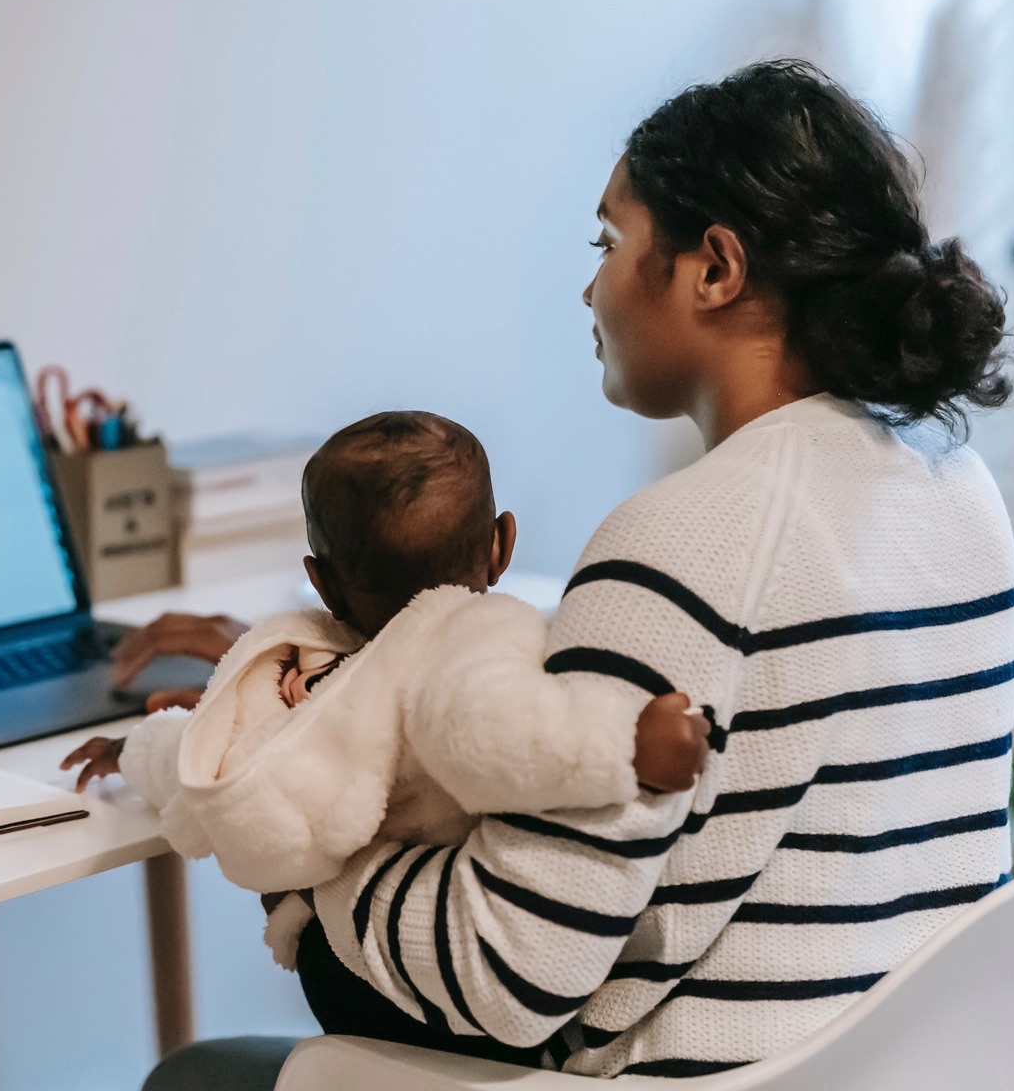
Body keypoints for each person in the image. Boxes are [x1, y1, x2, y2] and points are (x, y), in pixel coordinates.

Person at [134, 59, 1014, 1087]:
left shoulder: (685, 535)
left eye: (610, 242)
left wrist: (298, 806)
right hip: (893, 1066)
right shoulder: (955, 488)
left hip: (680, 1076)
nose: (590, 286)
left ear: (714, 270)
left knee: (201, 1075)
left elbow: (507, 975)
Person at [63, 412, 709, 969]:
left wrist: (131, 751)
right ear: (502, 545)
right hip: (423, 965)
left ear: (322, 583)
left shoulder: (310, 687)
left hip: (358, 964)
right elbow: (506, 735)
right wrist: (628, 744)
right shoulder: (470, 647)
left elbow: (203, 768)